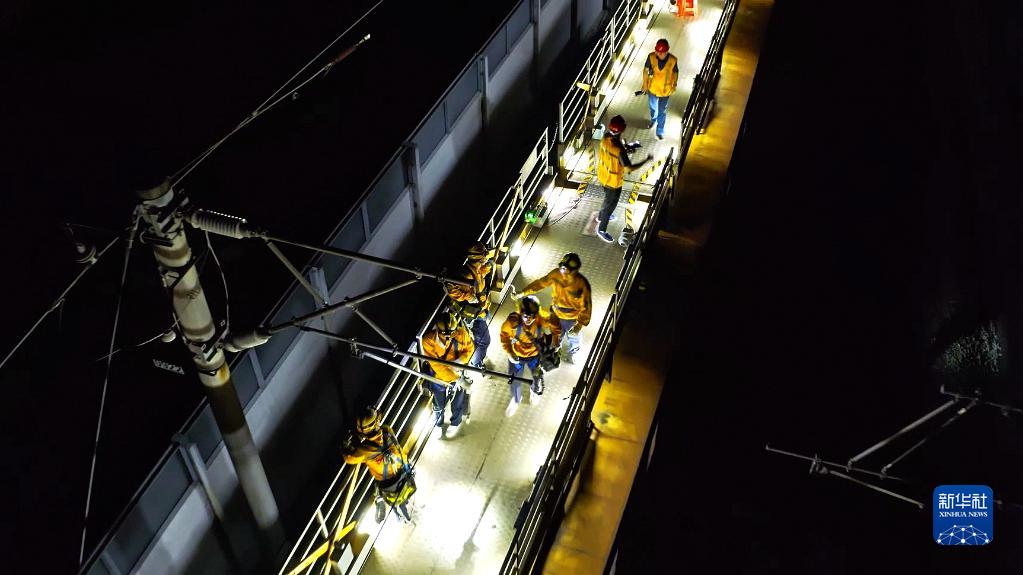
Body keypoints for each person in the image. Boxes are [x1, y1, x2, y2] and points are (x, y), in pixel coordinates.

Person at [341, 407, 416, 523]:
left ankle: (399, 515)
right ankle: (406, 514)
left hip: (387, 484)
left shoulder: (364, 451)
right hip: (402, 471)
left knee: (394, 500)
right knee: (402, 498)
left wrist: (345, 445)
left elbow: (349, 458)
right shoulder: (387, 430)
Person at [514, 253, 592, 364]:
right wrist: (523, 292)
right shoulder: (556, 274)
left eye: (566, 269)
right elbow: (540, 283)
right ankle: (556, 352)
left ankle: (574, 351)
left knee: (573, 335)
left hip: (571, 317)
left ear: (574, 271)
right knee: (556, 335)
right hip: (555, 311)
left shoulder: (581, 284)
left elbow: (586, 307)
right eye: (562, 268)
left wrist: (579, 326)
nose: (563, 272)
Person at [499, 295, 561, 415]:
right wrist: (510, 352)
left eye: (532, 316)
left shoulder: (541, 320)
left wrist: (556, 341)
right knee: (514, 378)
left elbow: (556, 325)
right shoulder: (512, 322)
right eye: (525, 316)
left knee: (537, 377)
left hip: (535, 356)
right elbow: (504, 336)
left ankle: (535, 392)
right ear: (521, 312)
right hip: (517, 356)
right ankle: (516, 399)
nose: (528, 319)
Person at [596, 115, 651, 243]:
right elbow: (629, 169)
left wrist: (626, 150)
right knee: (610, 205)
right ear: (623, 129)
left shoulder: (605, 138)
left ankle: (601, 216)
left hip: (603, 175)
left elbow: (614, 154)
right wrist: (646, 160)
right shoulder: (619, 149)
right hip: (613, 182)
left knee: (607, 201)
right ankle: (601, 229)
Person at [421, 311, 474, 438]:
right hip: (439, 377)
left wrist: (460, 361)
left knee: (457, 402)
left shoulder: (461, 333)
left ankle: (455, 423)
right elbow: (436, 365)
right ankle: (438, 424)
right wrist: (457, 379)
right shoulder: (428, 341)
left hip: (458, 372)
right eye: (445, 334)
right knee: (438, 403)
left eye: (452, 333)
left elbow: (470, 348)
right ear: (437, 330)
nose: (449, 336)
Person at [445, 241, 496, 370]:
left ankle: (477, 356)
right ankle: (476, 363)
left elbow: (480, 275)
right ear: (480, 258)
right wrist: (469, 297)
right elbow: (451, 288)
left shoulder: (474, 270)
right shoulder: (466, 275)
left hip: (482, 309)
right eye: (485, 255)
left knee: (481, 334)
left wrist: (488, 266)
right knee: (484, 341)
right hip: (474, 314)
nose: (486, 257)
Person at [640, 38, 679, 140]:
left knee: (662, 111)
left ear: (667, 51)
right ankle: (653, 120)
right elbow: (645, 70)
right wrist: (644, 84)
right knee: (653, 107)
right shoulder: (651, 57)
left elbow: (675, 72)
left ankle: (660, 130)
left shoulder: (673, 60)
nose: (659, 54)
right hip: (652, 88)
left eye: (661, 52)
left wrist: (674, 84)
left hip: (665, 90)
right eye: (657, 51)